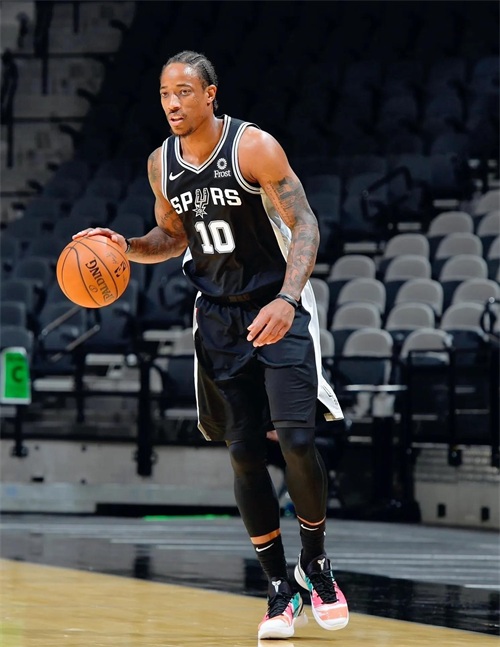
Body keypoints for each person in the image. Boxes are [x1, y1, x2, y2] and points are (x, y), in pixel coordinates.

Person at [74, 50, 349, 640]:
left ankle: (317, 564)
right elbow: (172, 237)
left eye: (183, 92)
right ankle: (278, 590)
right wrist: (124, 247)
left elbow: (304, 223)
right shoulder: (161, 163)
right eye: (164, 94)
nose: (172, 104)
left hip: (278, 306)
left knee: (297, 440)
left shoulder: (253, 147)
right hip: (219, 318)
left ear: (209, 94)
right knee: (244, 453)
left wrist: (288, 298)